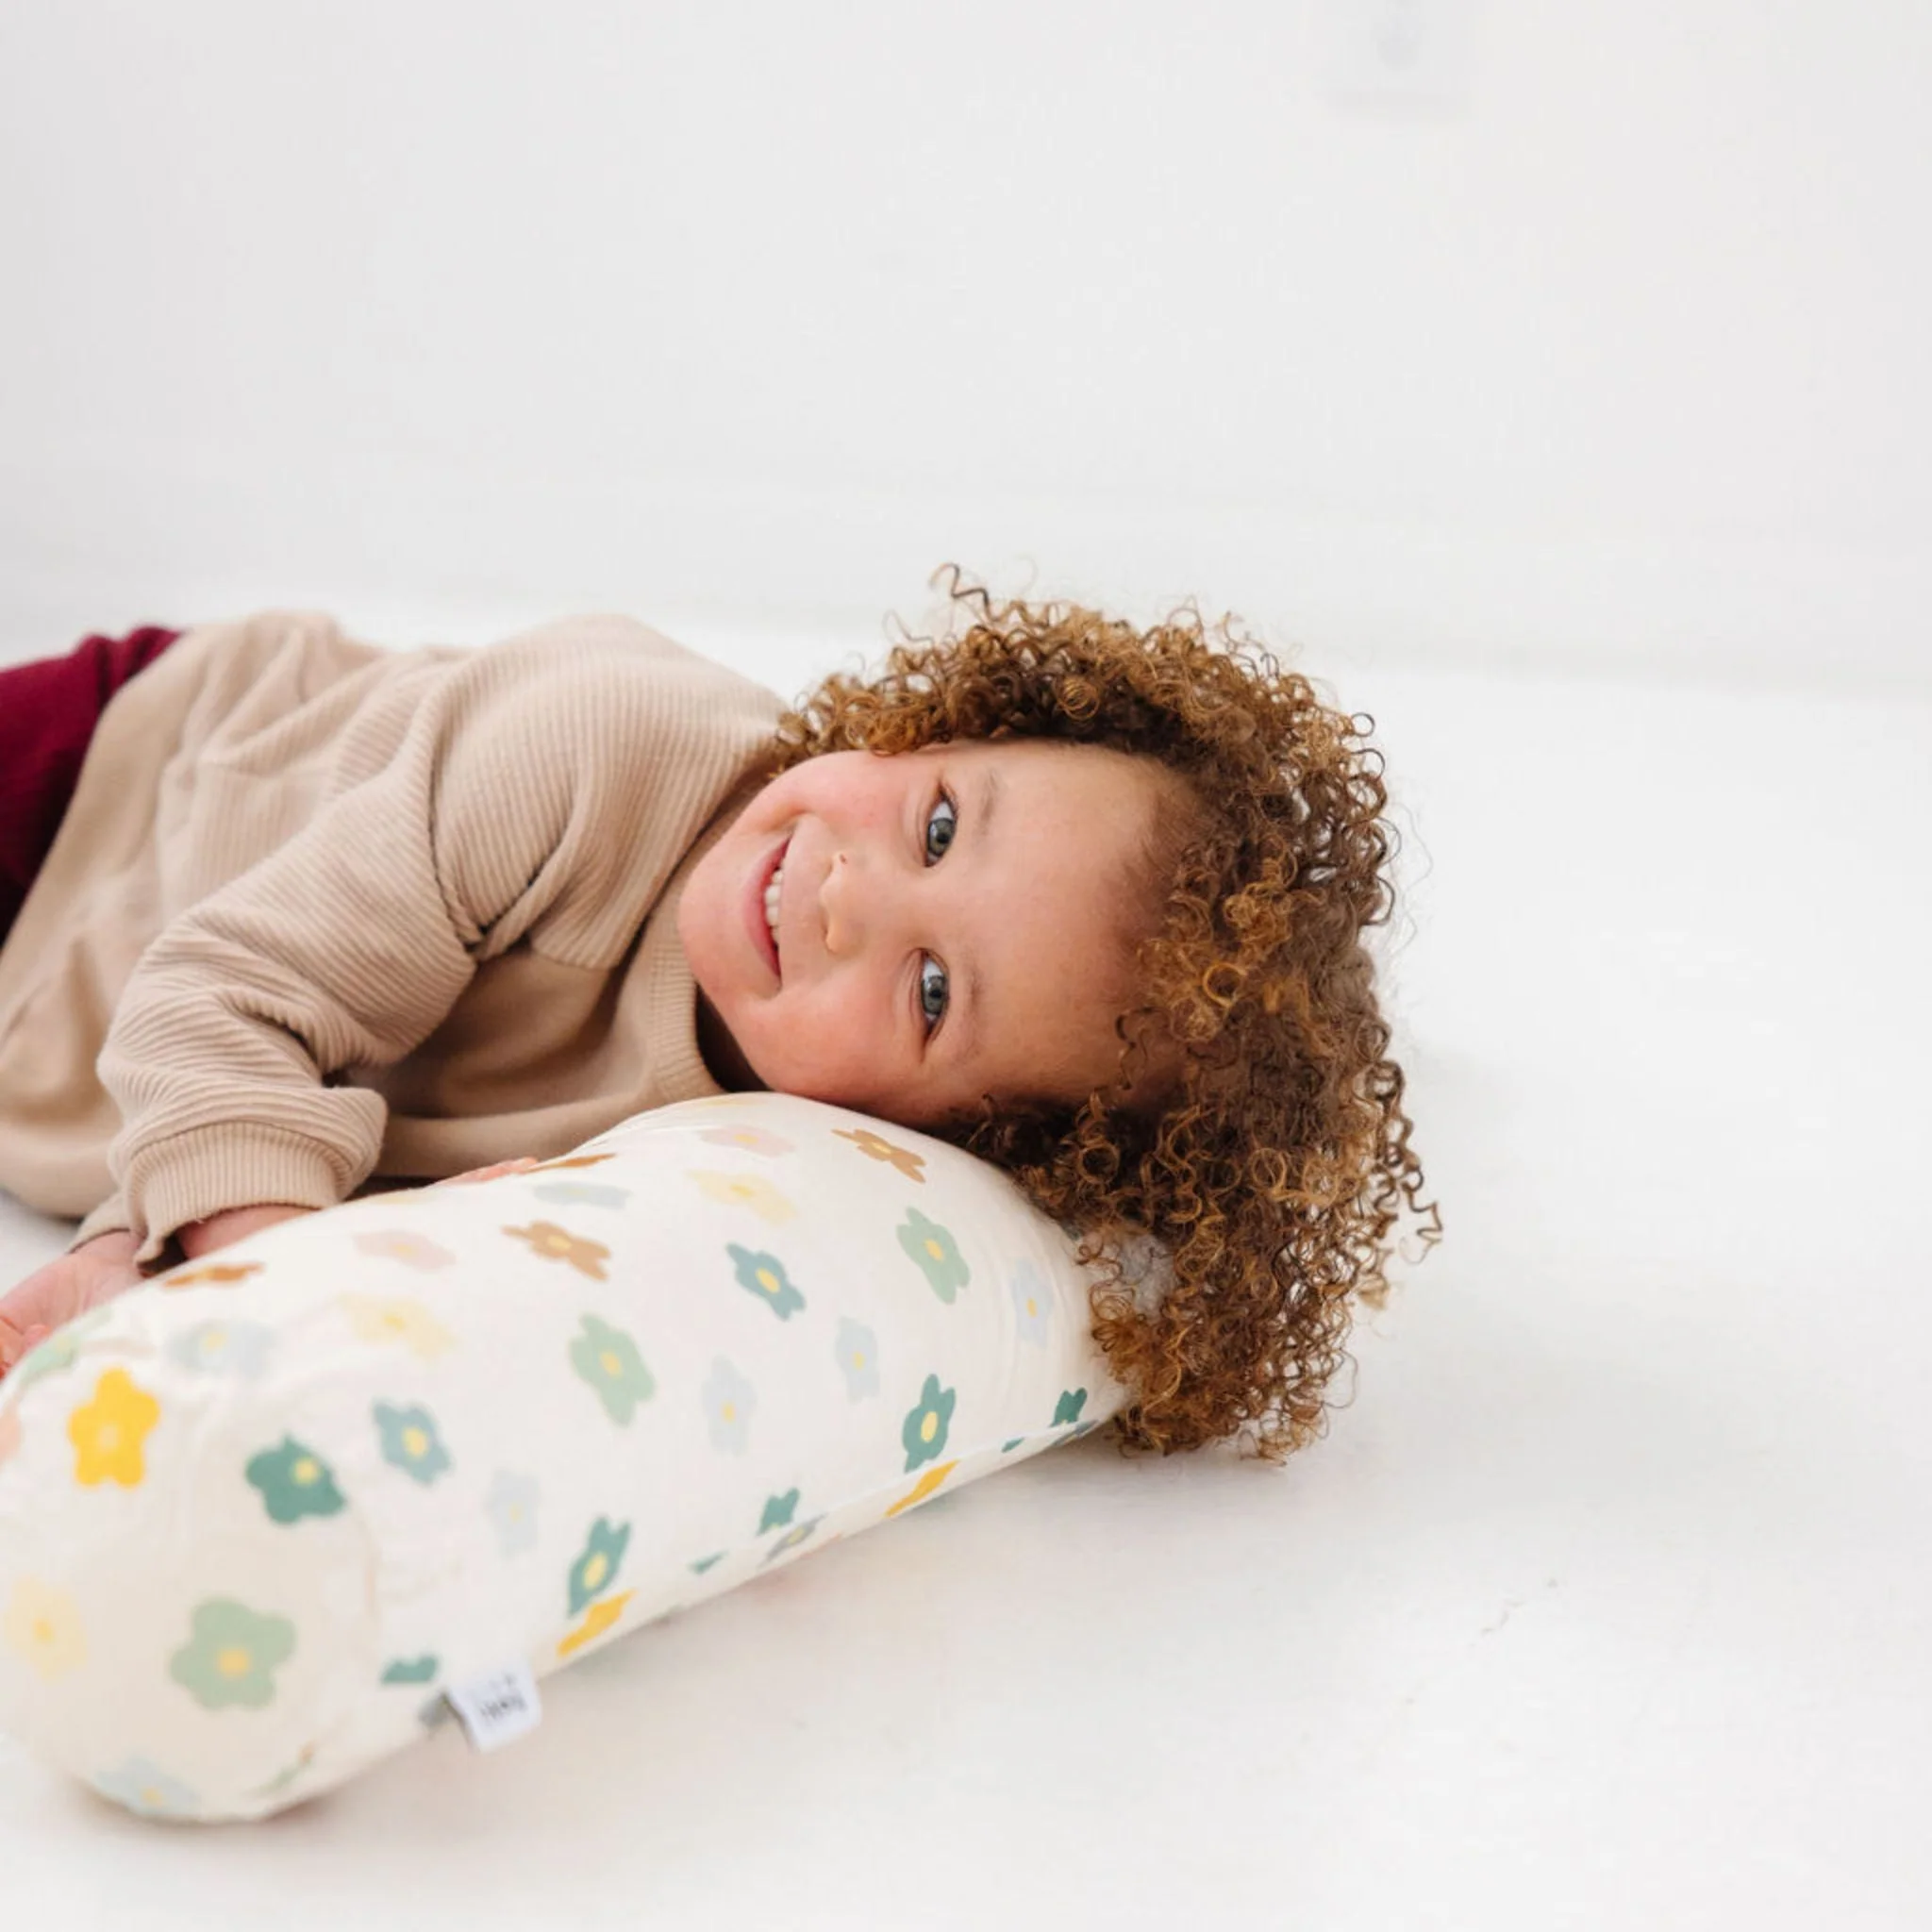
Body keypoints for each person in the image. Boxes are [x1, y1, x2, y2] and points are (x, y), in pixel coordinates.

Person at [0, 569, 1440, 1457]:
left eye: (933, 991)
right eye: (938, 824)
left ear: (961, 1139)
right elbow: (222, 998)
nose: (846, 899)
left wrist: (134, 1254)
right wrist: (264, 1281)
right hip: (99, 790)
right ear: (949, 725)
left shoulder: (764, 1174)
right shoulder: (596, 744)